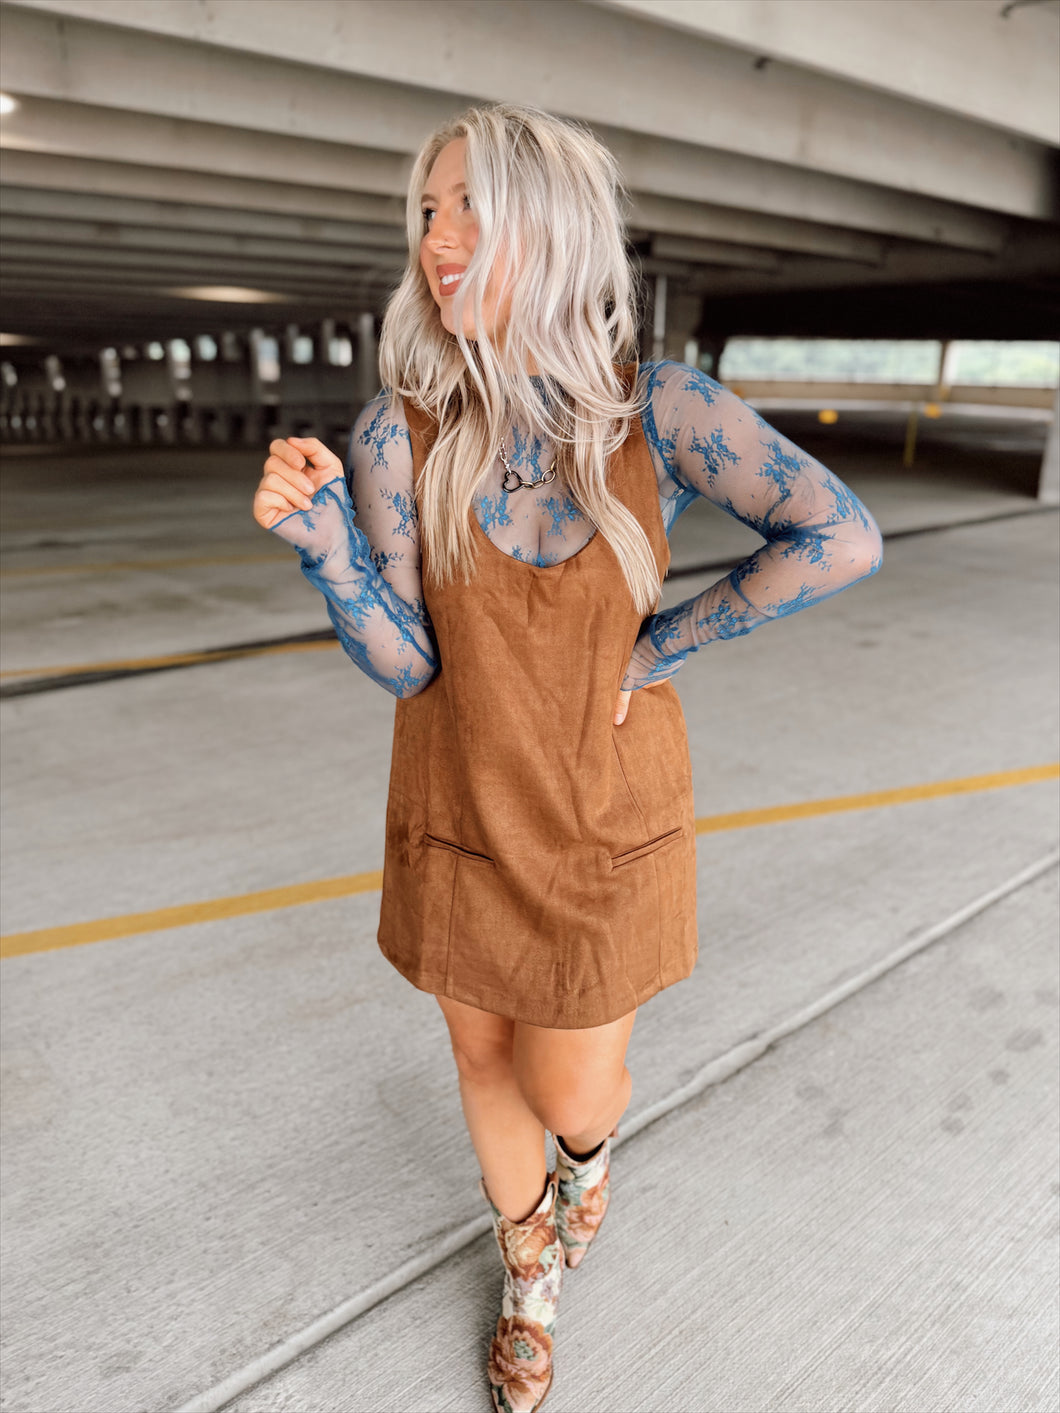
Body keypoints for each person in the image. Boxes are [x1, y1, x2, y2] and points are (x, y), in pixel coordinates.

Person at [253, 102, 883, 1413]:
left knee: (571, 1079)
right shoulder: (396, 432)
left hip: (606, 816)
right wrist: (328, 556)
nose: (439, 237)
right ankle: (527, 1267)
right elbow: (410, 661)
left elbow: (840, 534)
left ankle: (585, 1162)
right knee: (482, 1061)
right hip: (455, 797)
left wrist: (663, 649)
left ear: (554, 225)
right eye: (428, 210)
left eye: (472, 204)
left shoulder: (662, 411)